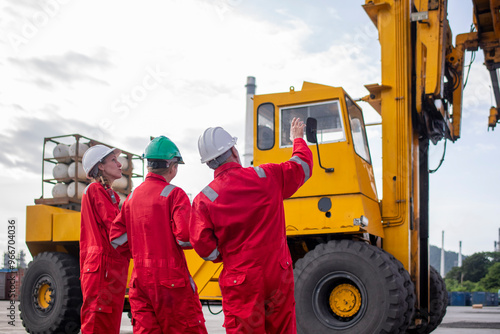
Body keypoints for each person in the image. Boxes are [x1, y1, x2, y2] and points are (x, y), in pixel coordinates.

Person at [190, 117, 313, 333]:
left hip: (241, 279)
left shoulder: (204, 199)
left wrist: (229, 256)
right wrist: (297, 140)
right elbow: (302, 166)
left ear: (209, 163)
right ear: (234, 152)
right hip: (278, 272)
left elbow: (203, 246)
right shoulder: (267, 176)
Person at [110, 136, 207, 334]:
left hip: (140, 281)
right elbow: (184, 238)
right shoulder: (174, 194)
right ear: (172, 166)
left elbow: (116, 239)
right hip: (171, 281)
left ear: (149, 166)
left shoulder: (131, 198)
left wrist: (141, 250)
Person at [80, 144, 130, 334]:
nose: (119, 164)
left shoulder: (108, 194)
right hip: (103, 270)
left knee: (107, 325)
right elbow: (115, 229)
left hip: (109, 270)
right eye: (113, 160)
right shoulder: (96, 190)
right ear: (100, 166)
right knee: (98, 324)